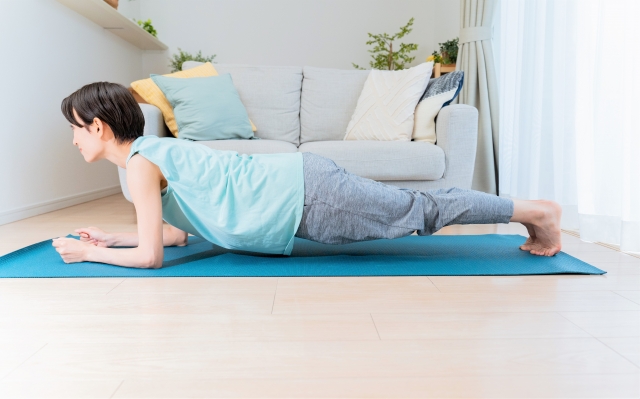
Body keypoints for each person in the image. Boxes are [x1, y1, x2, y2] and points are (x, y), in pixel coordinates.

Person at [52, 82, 562, 269]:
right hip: (301, 189)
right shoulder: (147, 156)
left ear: (98, 126)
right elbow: (178, 233)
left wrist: (89, 252)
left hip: (307, 195)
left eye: (76, 129)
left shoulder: (142, 163)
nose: (73, 139)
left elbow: (153, 258)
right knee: (415, 209)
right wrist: (113, 238)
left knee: (419, 211)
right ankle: (531, 211)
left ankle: (537, 211)